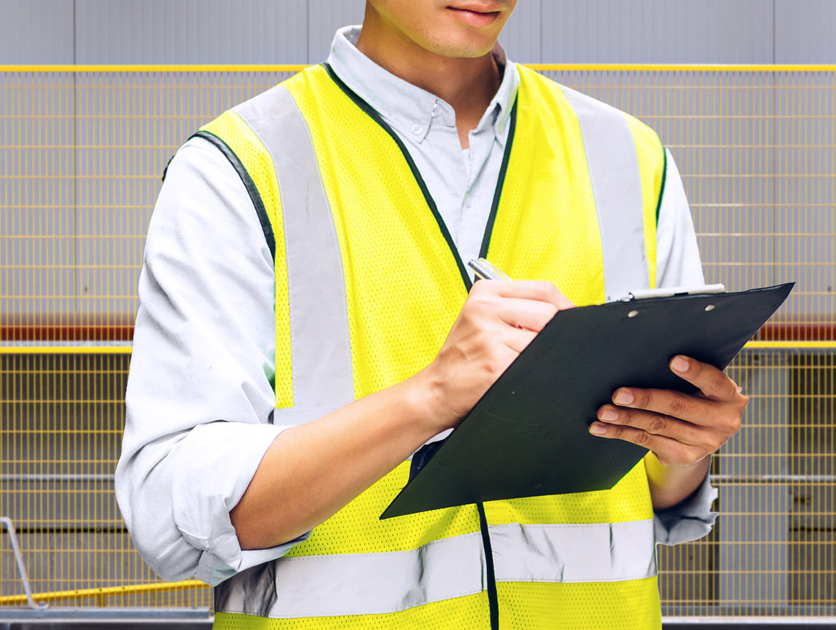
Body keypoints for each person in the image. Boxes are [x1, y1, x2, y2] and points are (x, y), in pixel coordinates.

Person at [116, 1, 747, 628]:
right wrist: (430, 398)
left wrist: (685, 447)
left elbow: (664, 492)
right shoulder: (238, 169)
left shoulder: (630, 156)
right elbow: (170, 519)